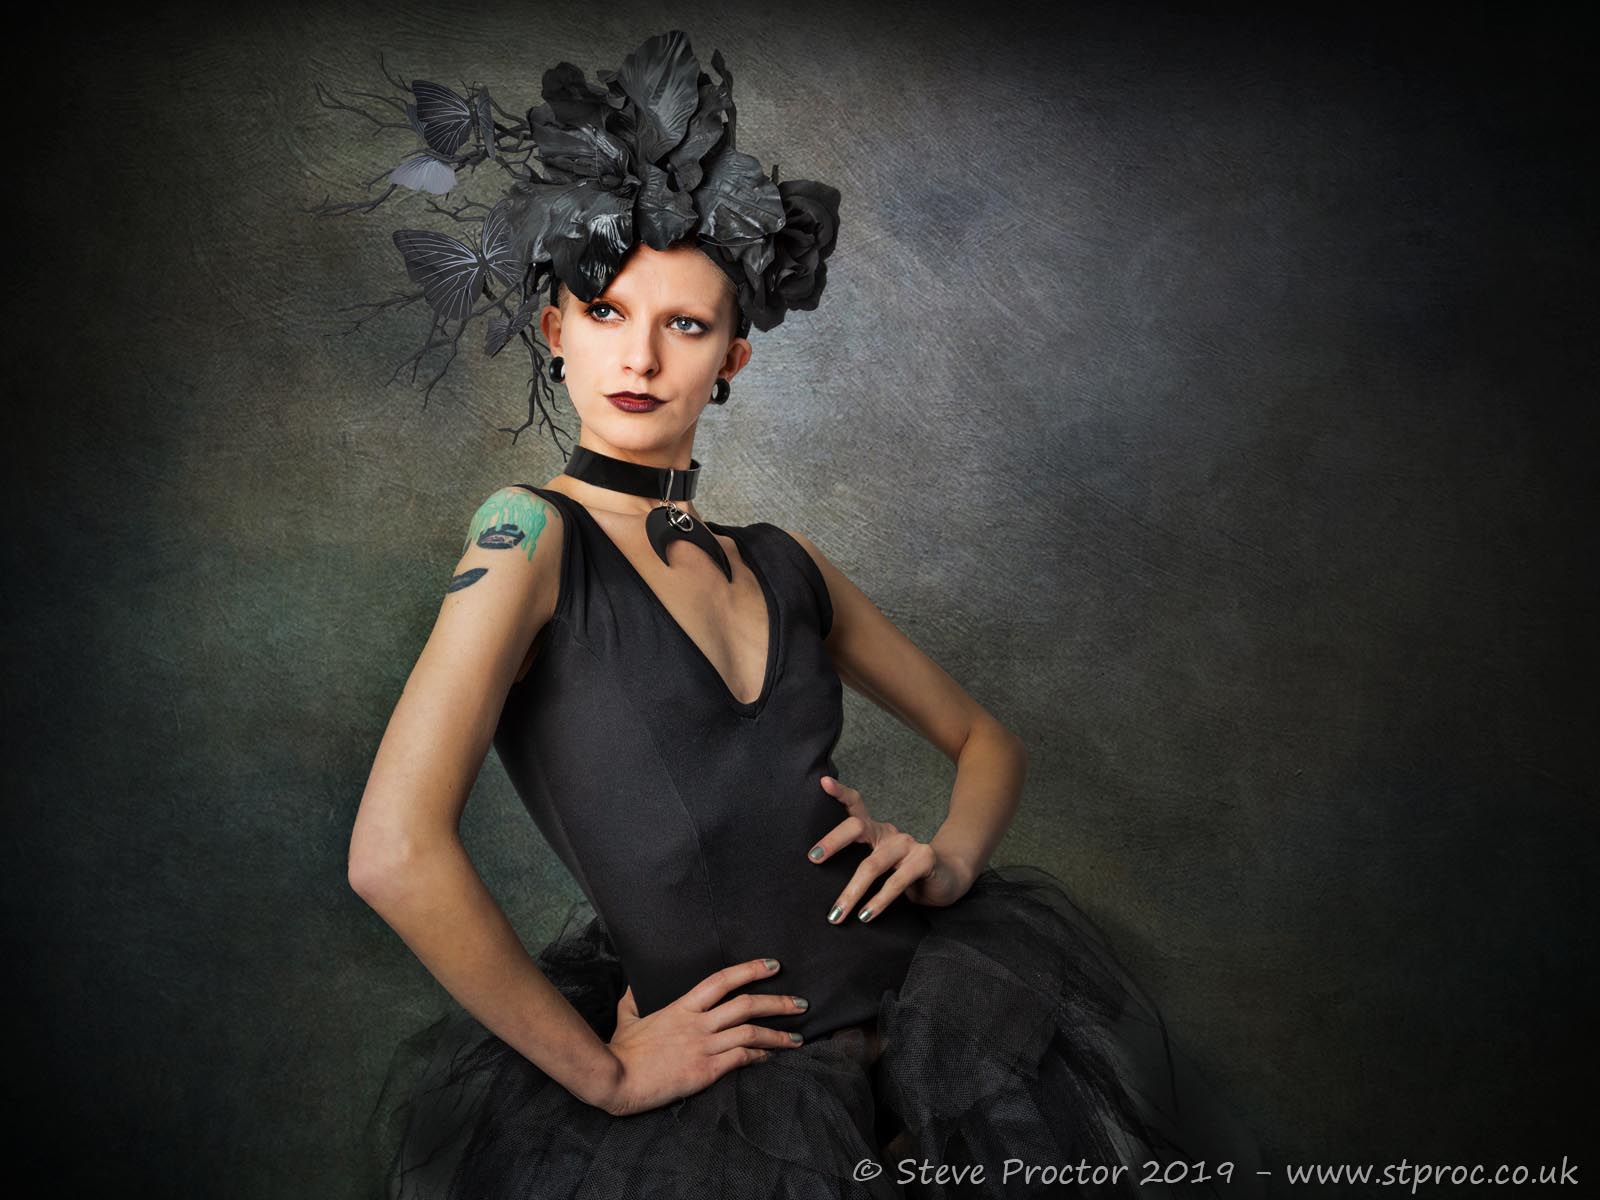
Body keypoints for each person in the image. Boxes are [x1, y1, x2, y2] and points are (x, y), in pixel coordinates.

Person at [329, 30, 1264, 1198]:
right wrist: (604, 1076)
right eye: (608, 313)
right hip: (744, 1118)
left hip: (929, 1045)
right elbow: (393, 854)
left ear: (732, 358)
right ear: (556, 331)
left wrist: (944, 863)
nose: (640, 358)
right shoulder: (525, 536)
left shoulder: (783, 561)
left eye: (684, 326)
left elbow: (987, 742)